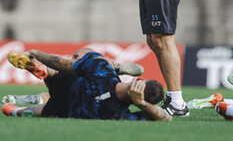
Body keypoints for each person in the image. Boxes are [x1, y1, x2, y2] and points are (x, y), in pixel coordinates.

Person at [2, 49, 171, 122]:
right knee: (40, 112)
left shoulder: (102, 70)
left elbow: (64, 64)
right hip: (63, 110)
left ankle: (46, 72)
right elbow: (166, 118)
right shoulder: (120, 115)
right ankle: (16, 111)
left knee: (84, 59)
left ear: (139, 81)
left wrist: (35, 53)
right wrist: (142, 104)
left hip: (71, 83)